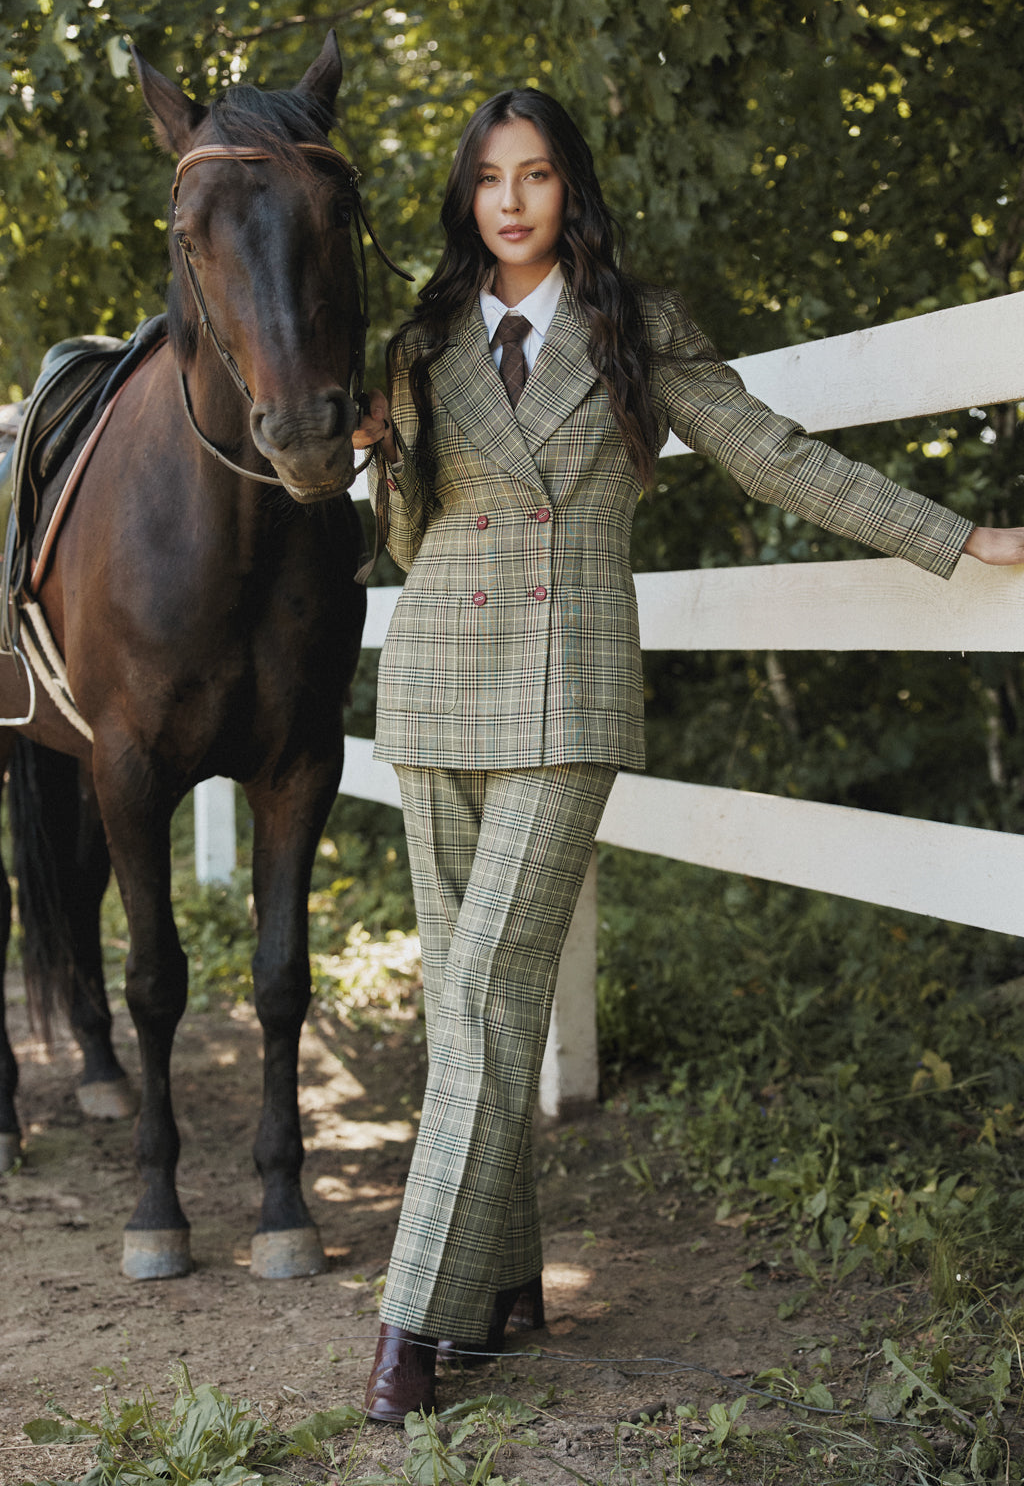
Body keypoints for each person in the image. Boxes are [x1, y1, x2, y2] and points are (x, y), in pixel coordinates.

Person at [350, 87, 1024, 1423]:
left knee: (486, 991)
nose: (511, 201)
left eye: (536, 176)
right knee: (465, 1011)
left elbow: (774, 457)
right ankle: (499, 1284)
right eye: (489, 179)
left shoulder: (634, 327)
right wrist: (365, 450)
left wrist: (957, 540)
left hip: (565, 689)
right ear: (465, 197)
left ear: (570, 190)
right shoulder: (420, 337)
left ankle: (411, 1322)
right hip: (432, 684)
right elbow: (408, 544)